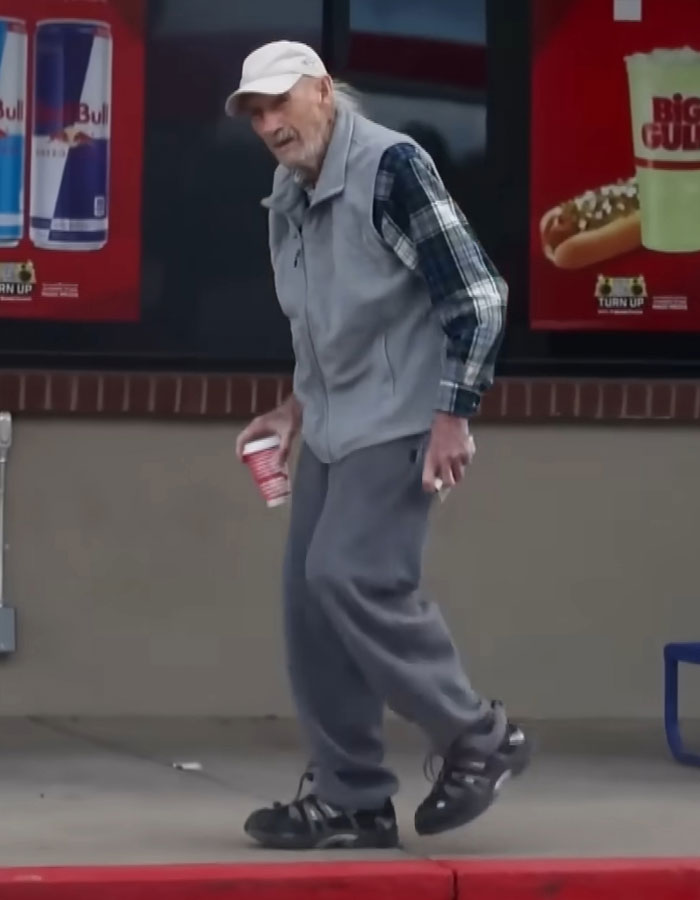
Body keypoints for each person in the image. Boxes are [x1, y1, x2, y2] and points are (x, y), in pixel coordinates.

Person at [228, 40, 530, 851]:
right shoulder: (291, 189)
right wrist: (292, 412)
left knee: (350, 574)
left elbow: (478, 295)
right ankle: (351, 802)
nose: (266, 123)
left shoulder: (391, 170)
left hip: (402, 418)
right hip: (333, 424)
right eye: (254, 112)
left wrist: (453, 415)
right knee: (309, 608)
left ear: (323, 91)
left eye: (278, 102)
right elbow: (325, 323)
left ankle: (477, 734)